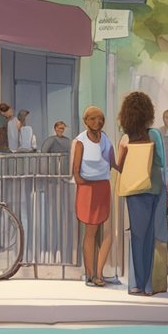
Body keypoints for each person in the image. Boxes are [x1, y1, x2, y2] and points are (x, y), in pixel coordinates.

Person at [113, 92, 168, 296]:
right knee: (151, 236)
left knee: (137, 235)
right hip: (152, 188)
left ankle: (134, 284)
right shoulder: (153, 134)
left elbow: (120, 166)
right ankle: (148, 285)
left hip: (133, 190)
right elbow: (161, 161)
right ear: (148, 113)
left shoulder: (125, 137)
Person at [71, 106, 114, 288]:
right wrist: (84, 183)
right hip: (87, 189)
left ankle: (99, 272)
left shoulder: (105, 139)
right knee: (90, 232)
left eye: (100, 119)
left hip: (103, 187)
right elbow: (76, 169)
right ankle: (90, 274)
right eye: (93, 119)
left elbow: (112, 162)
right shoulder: (80, 141)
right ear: (86, 120)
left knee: (107, 233)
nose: (98, 122)